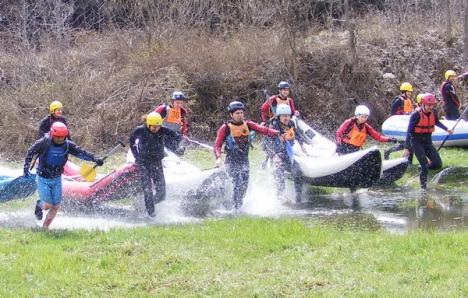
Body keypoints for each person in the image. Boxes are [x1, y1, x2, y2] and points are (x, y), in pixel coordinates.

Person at [23, 122, 103, 229]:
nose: (60, 139)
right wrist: (26, 169)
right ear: (52, 134)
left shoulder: (67, 144)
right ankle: (39, 205)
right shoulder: (44, 142)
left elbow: (81, 153)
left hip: (56, 178)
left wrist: (94, 158)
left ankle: (45, 228)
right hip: (43, 177)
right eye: (58, 137)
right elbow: (30, 152)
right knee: (47, 205)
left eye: (62, 137)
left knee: (56, 206)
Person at [214, 101, 279, 209]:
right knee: (237, 183)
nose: (240, 115)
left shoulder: (248, 124)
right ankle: (236, 209)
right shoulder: (225, 128)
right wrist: (218, 157)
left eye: (241, 113)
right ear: (231, 114)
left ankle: (237, 204)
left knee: (244, 186)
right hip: (231, 160)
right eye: (237, 113)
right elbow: (217, 145)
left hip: (244, 160)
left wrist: (276, 133)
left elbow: (263, 130)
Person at [129, 112, 181, 217]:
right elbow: (132, 142)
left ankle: (147, 205)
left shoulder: (161, 129)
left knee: (161, 193)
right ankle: (151, 214)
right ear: (148, 124)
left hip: (157, 163)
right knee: (147, 189)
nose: (156, 129)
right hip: (143, 163)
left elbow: (175, 136)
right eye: (153, 127)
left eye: (158, 127)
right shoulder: (139, 130)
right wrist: (136, 157)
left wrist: (178, 142)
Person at [403, 93, 453, 189]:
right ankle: (423, 189)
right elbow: (409, 132)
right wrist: (407, 148)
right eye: (428, 105)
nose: (430, 107)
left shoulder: (433, 112)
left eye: (432, 105)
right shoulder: (416, 115)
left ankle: (421, 168)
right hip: (416, 143)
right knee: (424, 166)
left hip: (427, 142)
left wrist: (447, 129)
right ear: (423, 104)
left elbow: (437, 122)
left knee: (437, 164)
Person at [269, 104, 306, 202]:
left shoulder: (291, 124)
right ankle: (280, 195)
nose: (286, 118)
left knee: (298, 172)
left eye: (288, 116)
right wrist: (273, 156)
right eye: (283, 116)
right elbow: (266, 145)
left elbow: (296, 134)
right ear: (279, 116)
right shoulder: (273, 126)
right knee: (278, 171)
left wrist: (302, 147)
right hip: (277, 154)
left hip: (288, 155)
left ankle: (298, 197)